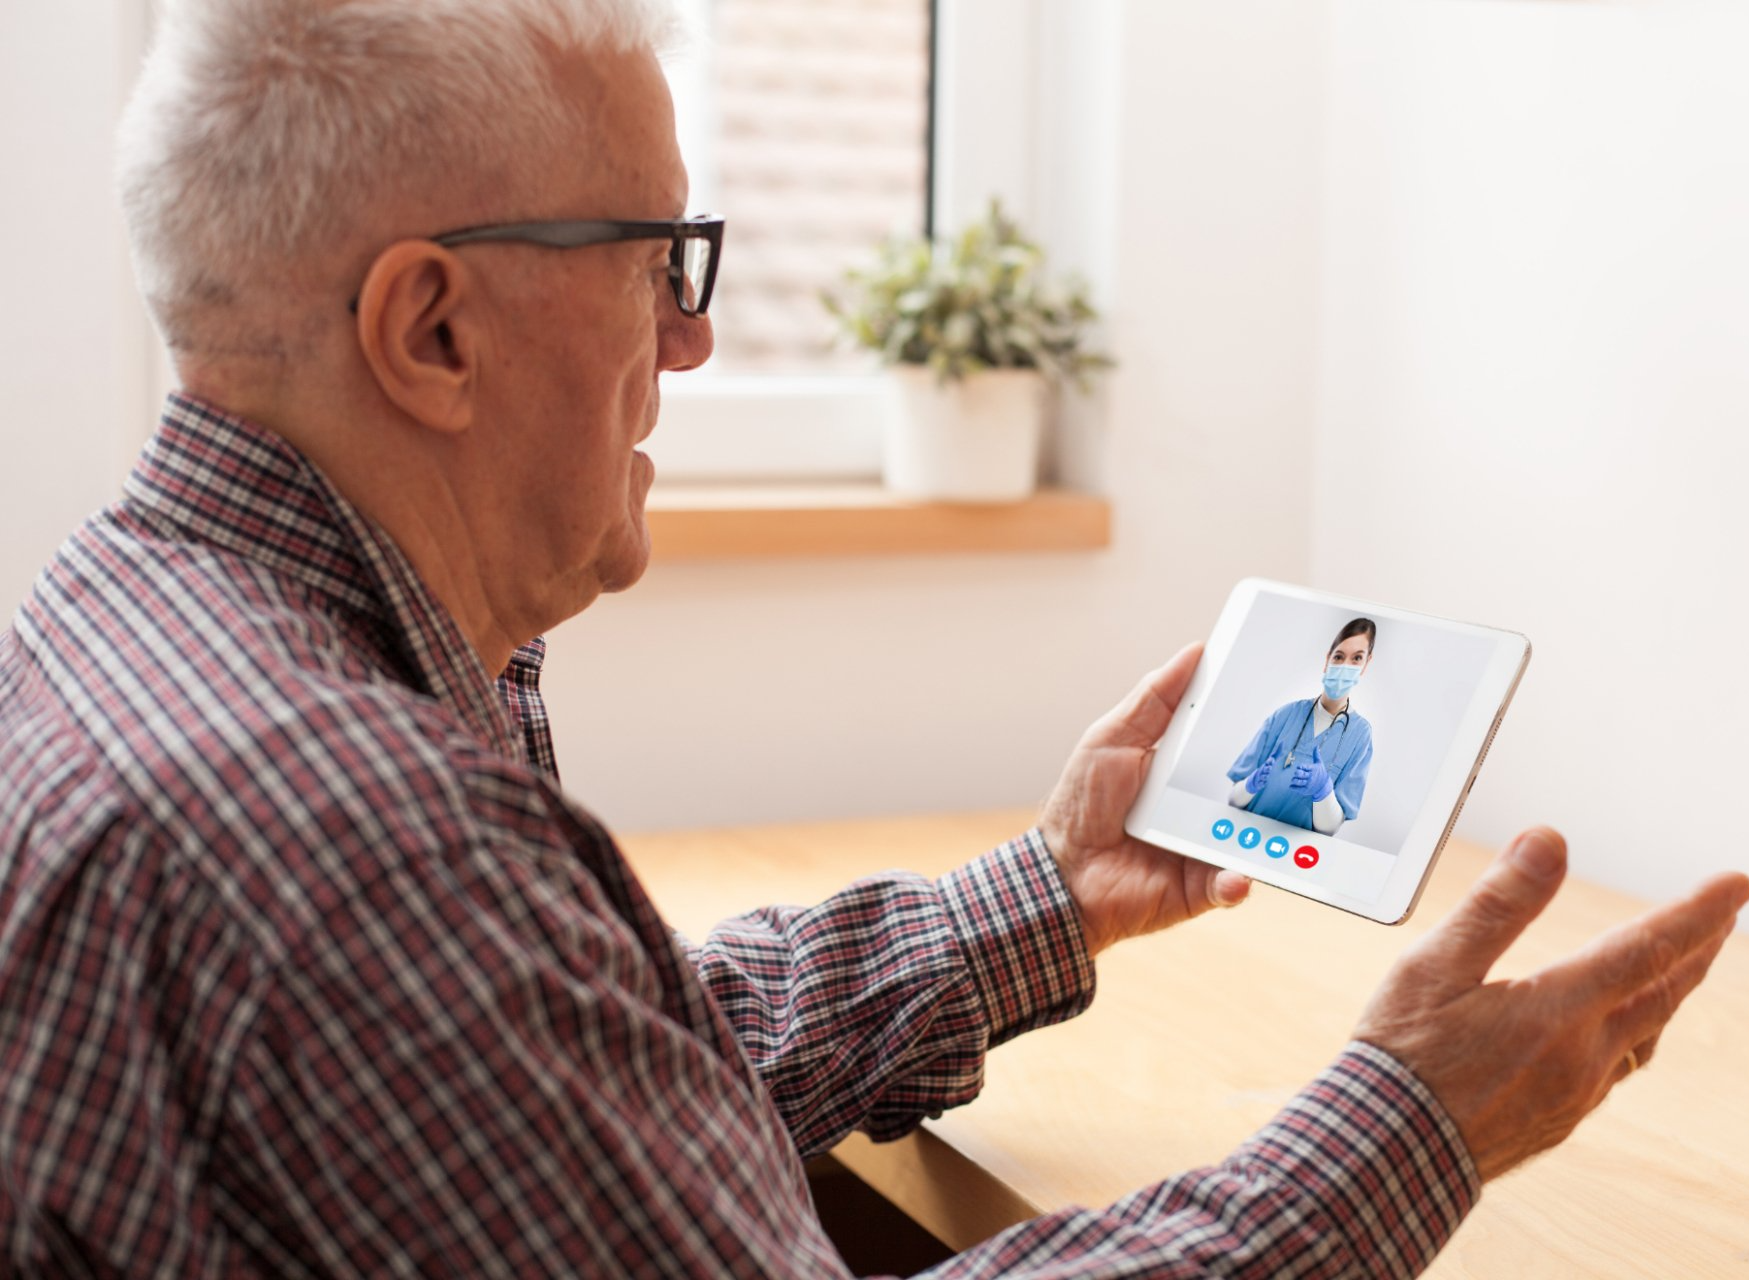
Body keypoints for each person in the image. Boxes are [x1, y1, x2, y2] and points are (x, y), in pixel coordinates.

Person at [0, 1, 1743, 1275]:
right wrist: (1412, 1120)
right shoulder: (357, 842)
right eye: (655, 262)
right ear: (431, 330)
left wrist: (1040, 898)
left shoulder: (136, 624)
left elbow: (586, 1083)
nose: (685, 346)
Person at [1229, 617, 1377, 835]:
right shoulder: (1286, 715)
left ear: (1366, 665)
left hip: (1295, 855)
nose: (1345, 666)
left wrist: (1323, 792)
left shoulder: (1360, 734)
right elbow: (1233, 800)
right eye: (1338, 656)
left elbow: (1331, 829)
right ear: (1327, 661)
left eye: (1356, 658)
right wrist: (1250, 784)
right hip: (1246, 835)